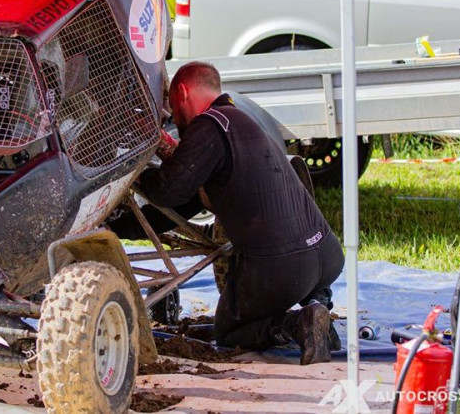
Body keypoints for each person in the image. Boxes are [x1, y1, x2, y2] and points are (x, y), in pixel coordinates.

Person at [139, 61, 345, 365]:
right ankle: (318, 306)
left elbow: (168, 190)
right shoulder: (239, 119)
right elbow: (195, 177)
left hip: (284, 271)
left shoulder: (206, 126)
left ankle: (296, 326)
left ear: (182, 92)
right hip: (326, 255)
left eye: (171, 105)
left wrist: (136, 175)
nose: (172, 116)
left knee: (229, 332)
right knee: (300, 269)